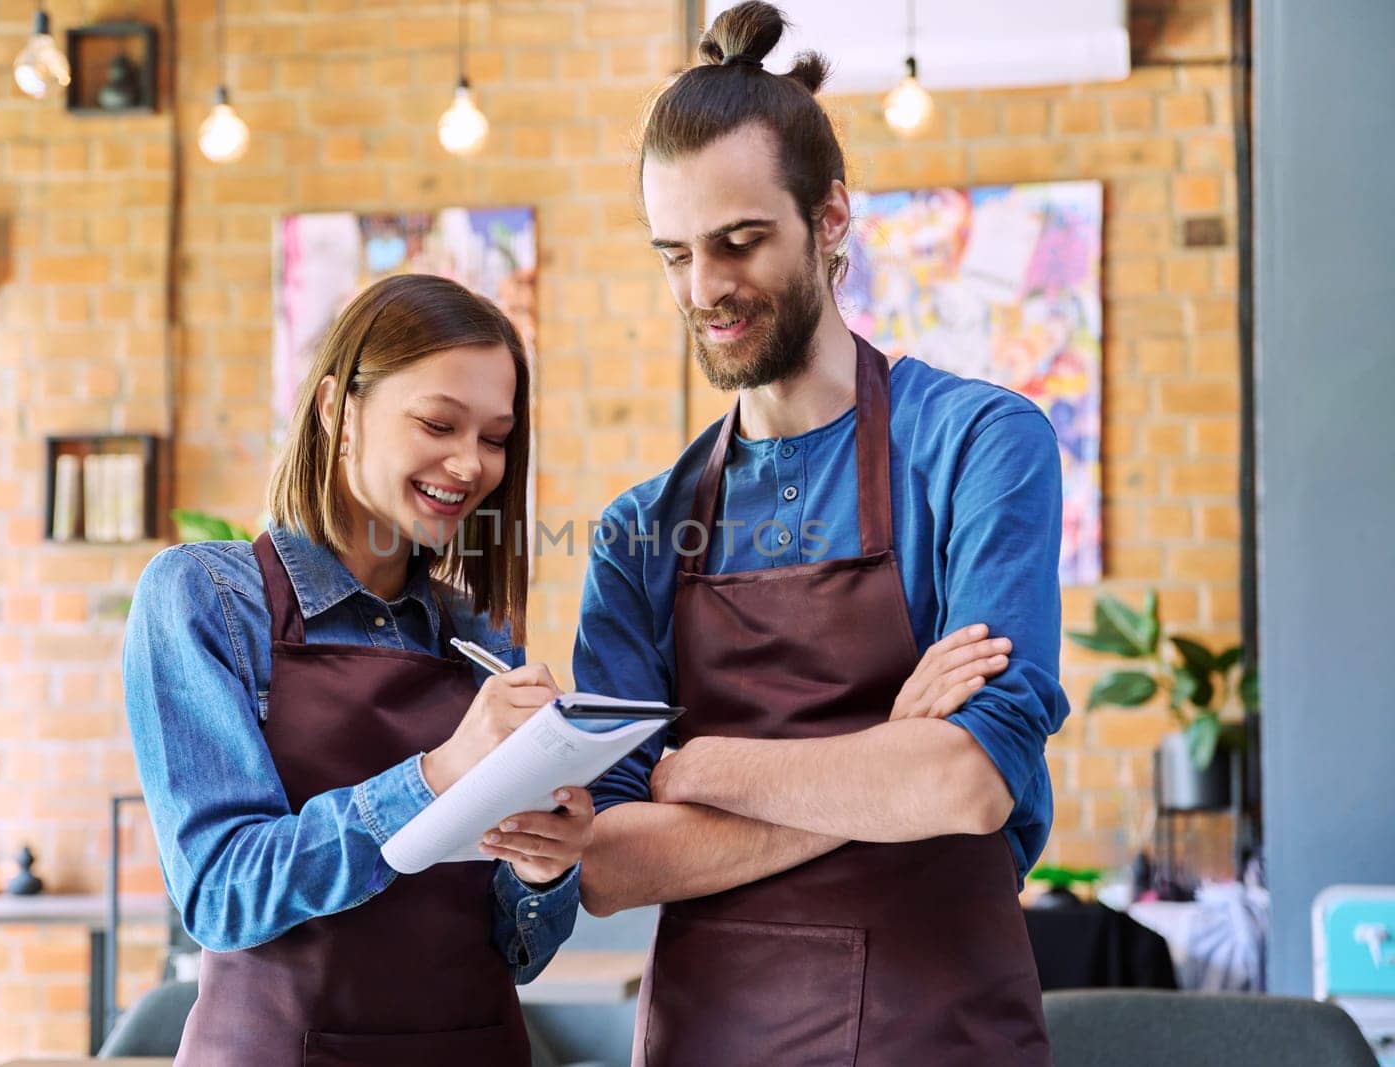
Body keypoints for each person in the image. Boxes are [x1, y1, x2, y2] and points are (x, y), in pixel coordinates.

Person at [574, 3, 1066, 1063]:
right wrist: (886, 747)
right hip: (710, 1036)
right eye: (675, 254)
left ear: (830, 217)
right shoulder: (637, 532)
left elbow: (965, 781)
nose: (704, 288)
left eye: (739, 241)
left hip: (933, 1031)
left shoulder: (979, 444)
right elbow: (608, 862)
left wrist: (696, 768)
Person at [124, 274, 593, 1066]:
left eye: (495, 436)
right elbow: (221, 891)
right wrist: (438, 776)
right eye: (439, 423)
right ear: (337, 408)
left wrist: (548, 872)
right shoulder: (205, 599)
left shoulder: (479, 636)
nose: (470, 463)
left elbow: (519, 954)